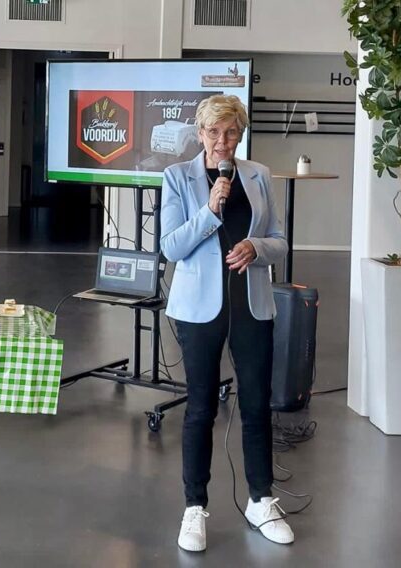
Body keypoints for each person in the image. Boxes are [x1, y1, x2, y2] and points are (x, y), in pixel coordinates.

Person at [160, 95, 291, 551]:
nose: (222, 141)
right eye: (214, 132)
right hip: (199, 311)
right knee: (201, 409)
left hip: (251, 307)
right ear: (200, 134)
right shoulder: (177, 177)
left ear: (240, 134)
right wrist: (210, 211)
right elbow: (171, 247)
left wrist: (258, 247)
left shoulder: (259, 175)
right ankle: (194, 507)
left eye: (231, 132)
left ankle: (261, 500)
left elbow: (280, 241)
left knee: (256, 406)